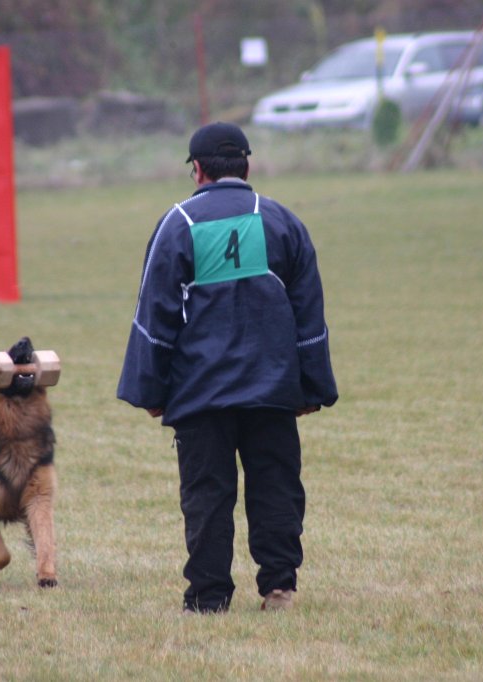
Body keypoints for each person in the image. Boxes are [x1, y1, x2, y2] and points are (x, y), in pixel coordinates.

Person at [117, 122, 338, 614]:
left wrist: (151, 391)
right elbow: (308, 315)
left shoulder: (178, 224)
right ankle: (279, 588)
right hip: (272, 389)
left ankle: (208, 597)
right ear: (247, 166)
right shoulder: (283, 222)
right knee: (276, 486)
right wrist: (312, 387)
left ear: (197, 170)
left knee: (206, 496)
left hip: (201, 394)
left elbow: (156, 315)